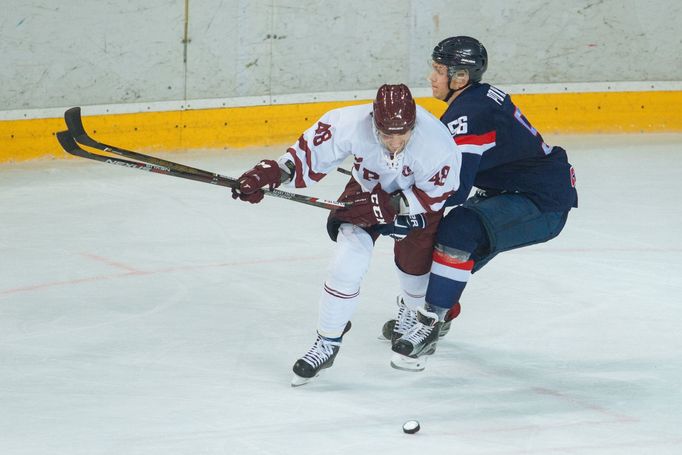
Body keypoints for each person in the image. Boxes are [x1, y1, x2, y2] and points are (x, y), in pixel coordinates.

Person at [231, 84, 462, 386]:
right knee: (345, 264)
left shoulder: (436, 142)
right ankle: (327, 342)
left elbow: (439, 194)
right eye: (386, 134)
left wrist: (393, 205)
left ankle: (411, 314)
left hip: (416, 202)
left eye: (401, 134)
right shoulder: (348, 123)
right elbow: (304, 158)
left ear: (413, 124)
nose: (394, 142)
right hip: (366, 192)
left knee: (415, 267)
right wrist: (272, 174)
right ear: (374, 122)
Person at [386, 36, 578, 372]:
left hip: (541, 202)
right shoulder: (474, 99)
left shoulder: (470, 114)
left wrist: (406, 205)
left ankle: (431, 321)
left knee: (458, 230)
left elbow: (456, 189)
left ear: (459, 78)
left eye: (438, 70)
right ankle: (433, 308)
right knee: (438, 240)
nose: (432, 77)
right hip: (515, 191)